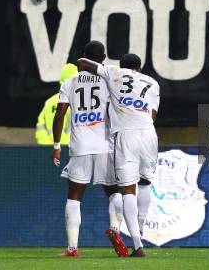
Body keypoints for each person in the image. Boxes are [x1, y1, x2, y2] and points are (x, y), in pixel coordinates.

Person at [77, 52, 160, 257]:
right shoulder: (152, 82)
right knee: (146, 182)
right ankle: (140, 227)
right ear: (139, 68)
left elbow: (82, 62)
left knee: (127, 189)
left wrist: (103, 66)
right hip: (149, 133)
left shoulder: (114, 72)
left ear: (122, 65)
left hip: (125, 134)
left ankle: (138, 245)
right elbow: (153, 114)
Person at [51, 42, 129, 258]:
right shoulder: (109, 81)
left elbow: (60, 115)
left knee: (74, 197)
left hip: (80, 145)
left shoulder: (69, 82)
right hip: (106, 145)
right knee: (114, 191)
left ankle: (72, 248)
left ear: (83, 57)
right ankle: (114, 229)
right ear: (103, 58)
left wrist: (57, 146)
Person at [35, 63, 78, 145]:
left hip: (48, 149)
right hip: (70, 150)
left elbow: (41, 128)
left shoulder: (49, 102)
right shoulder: (80, 103)